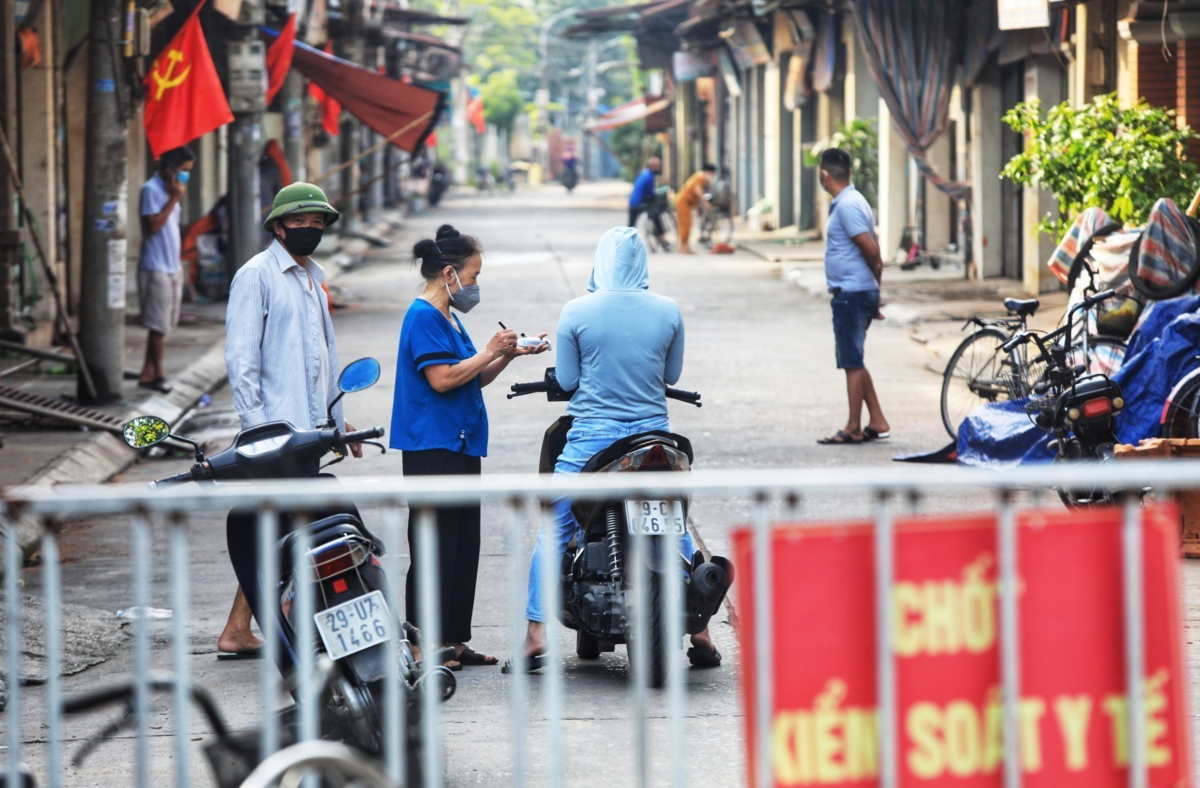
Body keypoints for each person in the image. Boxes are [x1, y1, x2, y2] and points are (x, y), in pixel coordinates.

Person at [506, 226, 719, 673]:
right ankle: (700, 631)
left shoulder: (577, 311)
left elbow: (567, 380)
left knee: (555, 526)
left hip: (593, 442)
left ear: (600, 262)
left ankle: (536, 634)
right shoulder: (668, 309)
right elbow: (672, 376)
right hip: (655, 441)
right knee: (674, 522)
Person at [391, 224, 548, 670]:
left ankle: (453, 639)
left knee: (462, 545)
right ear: (449, 274)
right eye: (473, 276)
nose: (475, 285)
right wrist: (489, 349)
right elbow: (442, 380)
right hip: (431, 445)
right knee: (433, 545)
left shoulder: (448, 318)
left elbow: (471, 378)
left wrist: (506, 355)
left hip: (459, 443)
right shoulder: (423, 316)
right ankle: (422, 644)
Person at [217, 182, 363, 662]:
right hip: (274, 435)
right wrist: (258, 431)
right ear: (278, 227)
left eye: (316, 223)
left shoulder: (312, 281)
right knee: (285, 524)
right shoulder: (255, 276)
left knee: (279, 525)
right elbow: (241, 360)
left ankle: (240, 627)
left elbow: (325, 357)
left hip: (308, 432)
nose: (309, 229)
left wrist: (336, 421)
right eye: (299, 222)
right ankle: (284, 624)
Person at [814, 148, 891, 445]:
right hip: (858, 291)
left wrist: (874, 291)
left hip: (852, 293)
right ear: (849, 172)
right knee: (855, 358)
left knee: (852, 362)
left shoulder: (847, 205)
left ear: (824, 174)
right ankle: (877, 419)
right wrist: (875, 292)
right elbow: (873, 253)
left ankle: (853, 427)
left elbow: (872, 251)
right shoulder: (853, 201)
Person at [137, 146, 195, 393]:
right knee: (158, 326)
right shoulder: (151, 190)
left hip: (171, 265)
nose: (185, 177)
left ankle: (147, 372)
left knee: (165, 324)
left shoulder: (172, 191)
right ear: (171, 169)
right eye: (183, 171)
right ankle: (158, 374)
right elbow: (153, 226)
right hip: (155, 267)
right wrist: (173, 199)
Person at [675, 163, 717, 255]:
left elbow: (696, 196)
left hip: (688, 203)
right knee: (685, 224)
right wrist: (705, 202)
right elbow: (697, 190)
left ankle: (685, 246)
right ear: (709, 172)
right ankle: (682, 246)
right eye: (712, 174)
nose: (712, 176)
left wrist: (698, 208)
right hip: (683, 201)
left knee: (688, 224)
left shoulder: (701, 178)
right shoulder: (700, 177)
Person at [627, 156, 666, 244]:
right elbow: (650, 193)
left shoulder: (643, 173)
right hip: (640, 203)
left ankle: (627, 241)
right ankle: (661, 236)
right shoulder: (649, 177)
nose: (659, 168)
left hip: (632, 202)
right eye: (658, 166)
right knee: (655, 214)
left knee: (631, 225)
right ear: (653, 166)